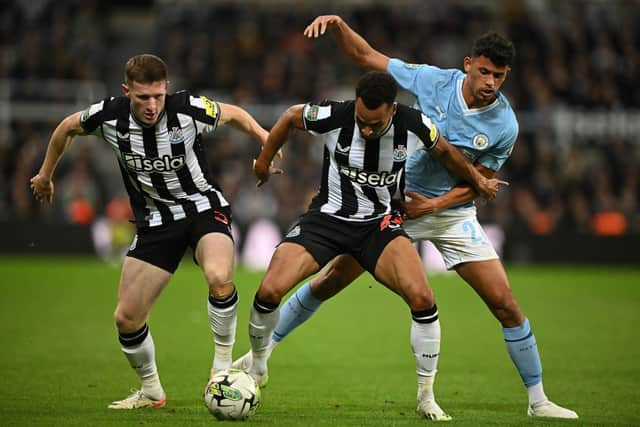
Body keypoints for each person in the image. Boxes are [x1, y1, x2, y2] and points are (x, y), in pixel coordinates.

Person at [232, 16, 578, 420]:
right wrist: (339, 25)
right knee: (328, 282)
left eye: (498, 76)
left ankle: (538, 400)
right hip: (392, 204)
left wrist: (431, 206)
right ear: (468, 64)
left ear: (506, 76)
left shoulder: (505, 125)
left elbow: (480, 182)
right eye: (484, 71)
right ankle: (261, 353)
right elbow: (365, 56)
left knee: (504, 303)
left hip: (450, 212)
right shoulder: (432, 80)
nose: (490, 82)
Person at [246, 71, 506, 420]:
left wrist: (476, 179)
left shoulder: (414, 124)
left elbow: (445, 151)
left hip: (378, 226)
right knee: (268, 290)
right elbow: (292, 116)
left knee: (423, 299)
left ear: (392, 111)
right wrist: (263, 162)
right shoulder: (335, 115)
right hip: (327, 219)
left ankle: (426, 397)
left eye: (375, 124)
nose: (367, 130)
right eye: (361, 122)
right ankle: (259, 364)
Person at [30, 54, 272, 409]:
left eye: (158, 95)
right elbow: (67, 126)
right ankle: (151, 391)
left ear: (166, 89)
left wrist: (266, 140)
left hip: (203, 208)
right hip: (155, 222)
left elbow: (234, 113)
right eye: (143, 97)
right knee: (126, 319)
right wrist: (45, 174)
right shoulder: (108, 116)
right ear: (127, 91)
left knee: (220, 276)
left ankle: (221, 369)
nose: (152, 105)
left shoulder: (187, 108)